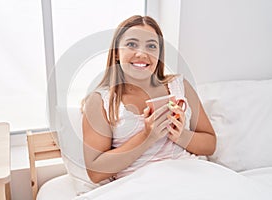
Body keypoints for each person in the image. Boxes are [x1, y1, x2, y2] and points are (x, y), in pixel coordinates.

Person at [82, 15, 216, 184]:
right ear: (116, 53)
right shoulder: (100, 101)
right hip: (140, 186)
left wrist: (181, 135)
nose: (142, 53)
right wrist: (147, 137)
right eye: (132, 44)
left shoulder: (180, 86)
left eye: (151, 46)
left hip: (189, 178)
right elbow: (95, 172)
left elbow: (210, 144)